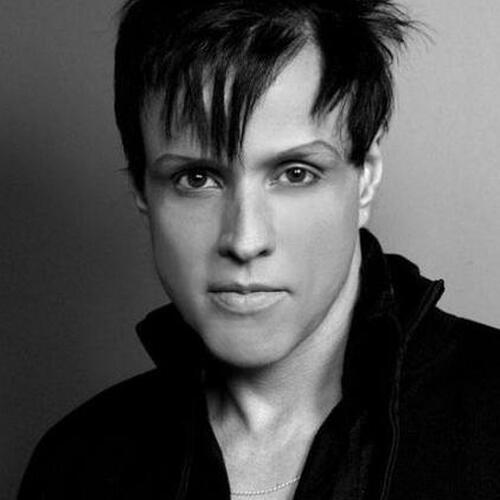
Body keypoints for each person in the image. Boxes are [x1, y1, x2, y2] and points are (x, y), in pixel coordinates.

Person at [18, 0, 500, 499]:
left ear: (366, 177)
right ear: (142, 189)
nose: (245, 240)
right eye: (197, 178)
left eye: (296, 174)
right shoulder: (77, 465)